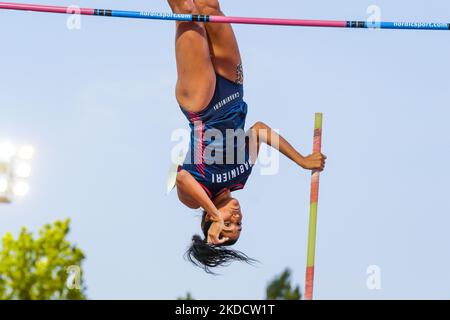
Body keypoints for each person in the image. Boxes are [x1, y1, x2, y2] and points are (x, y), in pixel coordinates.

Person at [169, 0, 327, 273]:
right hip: (233, 89)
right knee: (210, 9)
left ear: (208, 217)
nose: (236, 218)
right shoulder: (242, 177)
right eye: (238, 225)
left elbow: (181, 177)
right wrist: (302, 161)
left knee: (188, 13)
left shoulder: (196, 196)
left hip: (201, 103)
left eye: (227, 224)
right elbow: (260, 131)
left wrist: (215, 212)